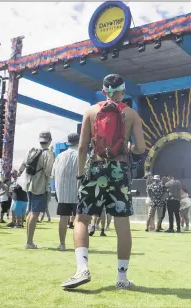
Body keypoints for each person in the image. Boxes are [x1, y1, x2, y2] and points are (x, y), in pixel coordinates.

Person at [61, 73, 145, 290]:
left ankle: (82, 269)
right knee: (122, 224)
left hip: (95, 168)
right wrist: (128, 147)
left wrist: (80, 175)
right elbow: (141, 148)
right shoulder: (132, 114)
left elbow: (82, 148)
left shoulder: (90, 111)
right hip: (119, 170)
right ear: (123, 92)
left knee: (82, 219)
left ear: (104, 91)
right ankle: (121, 278)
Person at [18, 131, 55, 249]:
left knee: (30, 211)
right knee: (35, 213)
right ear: (50, 140)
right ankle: (29, 242)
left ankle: (28, 240)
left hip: (28, 183)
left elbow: (22, 166)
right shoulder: (48, 153)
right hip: (40, 185)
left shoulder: (32, 150)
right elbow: (49, 171)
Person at [52, 133, 80, 251]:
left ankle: (62, 244)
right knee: (79, 219)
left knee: (63, 218)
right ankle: (79, 246)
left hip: (62, 193)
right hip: (78, 192)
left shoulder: (60, 156)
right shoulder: (82, 155)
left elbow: (53, 174)